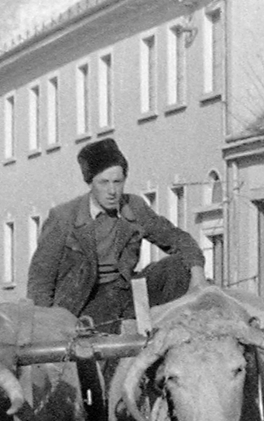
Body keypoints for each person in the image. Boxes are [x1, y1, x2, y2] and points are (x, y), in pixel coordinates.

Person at [27, 137, 206, 333]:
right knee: (103, 339)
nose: (112, 191)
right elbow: (41, 280)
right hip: (85, 302)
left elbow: (179, 239)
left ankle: (177, 332)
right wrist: (47, 327)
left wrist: (198, 280)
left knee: (177, 266)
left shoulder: (134, 207)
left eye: (117, 182)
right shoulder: (64, 217)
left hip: (127, 292)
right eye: (104, 182)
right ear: (90, 183)